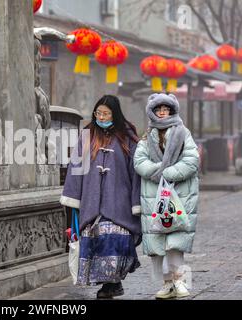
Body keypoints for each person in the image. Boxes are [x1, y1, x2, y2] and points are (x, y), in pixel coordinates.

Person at [60, 94, 142, 299]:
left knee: (114, 237)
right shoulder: (87, 136)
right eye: (99, 112)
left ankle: (113, 282)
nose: (102, 116)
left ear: (115, 114)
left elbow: (136, 171)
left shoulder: (128, 138)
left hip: (119, 200)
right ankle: (109, 284)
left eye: (106, 113)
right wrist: (73, 198)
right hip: (92, 200)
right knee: (95, 238)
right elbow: (75, 168)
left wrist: (136, 202)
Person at [133, 93, 199, 299]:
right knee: (158, 244)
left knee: (175, 242)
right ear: (153, 112)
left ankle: (179, 281)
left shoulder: (182, 133)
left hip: (179, 194)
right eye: (158, 109)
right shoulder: (148, 135)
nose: (162, 112)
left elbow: (191, 159)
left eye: (166, 109)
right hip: (154, 197)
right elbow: (139, 161)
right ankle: (166, 283)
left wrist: (167, 173)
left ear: (171, 110)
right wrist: (158, 172)